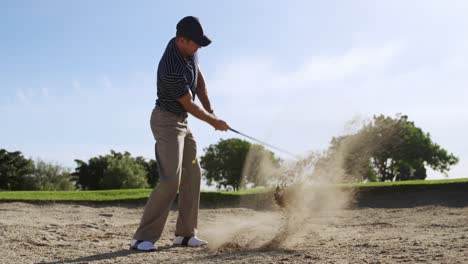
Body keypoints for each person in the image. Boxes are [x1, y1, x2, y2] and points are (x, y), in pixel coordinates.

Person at [130, 16, 230, 251]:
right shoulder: (170, 67)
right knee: (170, 179)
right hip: (166, 121)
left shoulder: (189, 49)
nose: (198, 48)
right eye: (194, 44)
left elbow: (199, 80)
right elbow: (189, 104)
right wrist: (214, 122)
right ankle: (142, 238)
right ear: (181, 40)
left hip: (183, 122)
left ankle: (185, 235)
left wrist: (211, 109)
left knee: (193, 173)